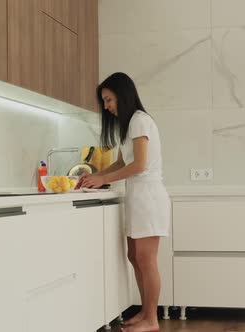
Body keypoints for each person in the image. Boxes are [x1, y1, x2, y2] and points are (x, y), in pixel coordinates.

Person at [81, 72, 170, 332]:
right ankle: (145, 312)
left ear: (123, 94)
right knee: (135, 256)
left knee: (146, 259)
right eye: (105, 101)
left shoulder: (140, 121)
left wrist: (103, 179)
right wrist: (97, 175)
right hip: (138, 196)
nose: (107, 106)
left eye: (109, 100)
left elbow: (139, 165)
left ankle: (152, 320)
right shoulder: (128, 125)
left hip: (149, 197)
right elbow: (122, 161)